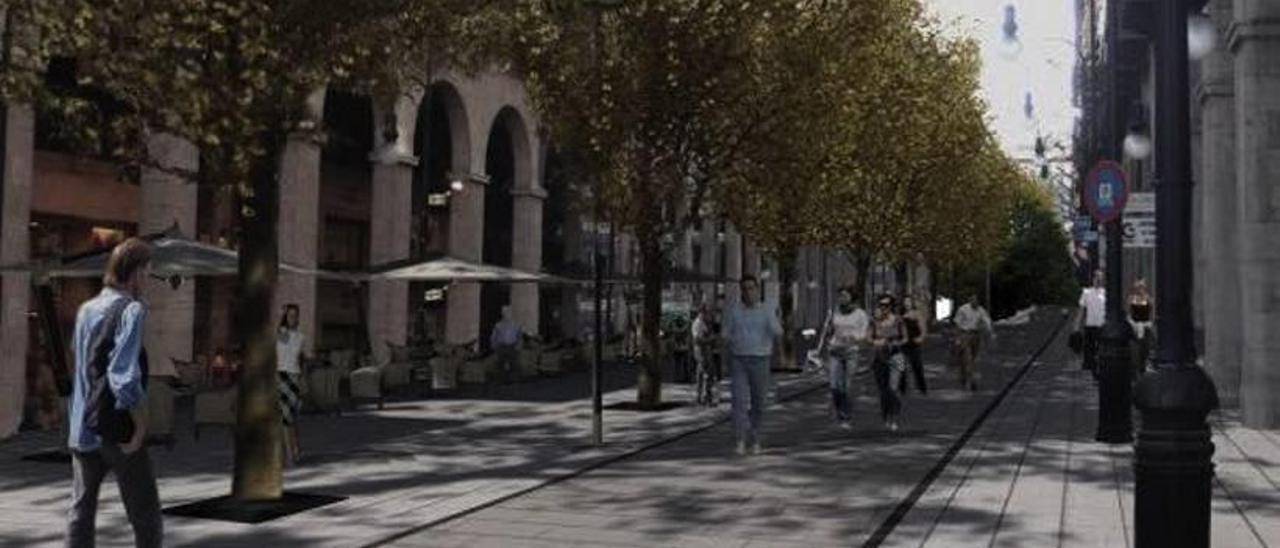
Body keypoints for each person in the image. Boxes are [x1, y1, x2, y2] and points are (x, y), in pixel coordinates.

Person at [66, 238, 162, 548]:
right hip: (118, 431)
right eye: (147, 271)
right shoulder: (131, 310)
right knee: (145, 514)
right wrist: (141, 425)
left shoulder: (86, 310)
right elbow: (123, 377)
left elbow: (82, 369)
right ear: (134, 272)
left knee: (81, 511)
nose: (148, 278)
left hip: (83, 426)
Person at [721, 275, 782, 455]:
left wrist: (779, 355)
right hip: (738, 359)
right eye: (745, 289)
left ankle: (755, 437)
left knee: (759, 403)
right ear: (741, 291)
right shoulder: (733, 311)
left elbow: (778, 332)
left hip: (761, 359)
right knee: (739, 402)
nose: (748, 292)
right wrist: (724, 357)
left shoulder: (766, 310)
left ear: (757, 290)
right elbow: (725, 334)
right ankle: (740, 439)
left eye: (751, 288)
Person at [816, 288, 869, 429]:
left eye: (845, 295)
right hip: (835, 351)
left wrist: (853, 337)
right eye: (840, 295)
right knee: (834, 386)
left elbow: (864, 334)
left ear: (852, 297)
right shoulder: (834, 311)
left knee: (846, 386)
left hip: (851, 352)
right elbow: (828, 329)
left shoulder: (860, 314)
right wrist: (826, 342)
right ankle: (839, 411)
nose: (842, 298)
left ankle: (845, 417)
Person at [870, 295, 907, 431]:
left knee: (893, 388)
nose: (883, 308)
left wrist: (894, 343)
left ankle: (894, 417)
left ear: (891, 307)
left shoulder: (898, 321)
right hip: (879, 358)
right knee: (883, 391)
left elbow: (905, 338)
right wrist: (875, 342)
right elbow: (868, 338)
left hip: (896, 357)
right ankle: (885, 415)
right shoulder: (875, 321)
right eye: (881, 305)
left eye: (886, 305)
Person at [277, 304, 307, 465]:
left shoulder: (301, 337)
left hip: (293, 378)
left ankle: (293, 451)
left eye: (295, 315)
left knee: (289, 419)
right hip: (279, 377)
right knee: (285, 418)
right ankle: (291, 453)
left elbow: (296, 356)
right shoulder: (280, 333)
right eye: (289, 315)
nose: (292, 318)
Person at [953, 294, 996, 391]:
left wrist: (991, 333)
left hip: (976, 335)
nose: (975, 303)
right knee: (967, 357)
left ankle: (964, 375)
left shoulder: (981, 310)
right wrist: (957, 338)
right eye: (973, 301)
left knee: (973, 357)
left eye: (976, 301)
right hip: (965, 335)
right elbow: (957, 324)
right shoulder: (963, 309)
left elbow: (987, 321)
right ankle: (972, 380)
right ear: (970, 301)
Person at [1075, 272, 1106, 372]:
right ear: (1092, 279)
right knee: (1090, 351)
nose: (1098, 280)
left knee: (1102, 350)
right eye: (1096, 277)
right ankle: (1093, 370)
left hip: (1102, 325)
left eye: (1100, 278)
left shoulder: (1106, 293)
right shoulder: (1086, 292)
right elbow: (1081, 310)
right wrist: (1076, 326)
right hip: (1090, 325)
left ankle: (1101, 370)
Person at [898, 296, 929, 396]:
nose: (907, 304)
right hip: (903, 343)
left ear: (912, 303)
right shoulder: (901, 315)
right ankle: (902, 388)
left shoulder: (917, 314)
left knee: (917, 365)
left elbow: (923, 328)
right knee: (901, 366)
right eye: (905, 302)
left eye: (909, 302)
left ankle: (922, 388)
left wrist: (921, 338)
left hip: (914, 343)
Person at [691, 305, 719, 406]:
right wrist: (709, 340)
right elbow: (697, 340)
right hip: (701, 352)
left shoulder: (704, 323)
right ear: (701, 313)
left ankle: (701, 396)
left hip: (706, 352)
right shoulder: (697, 324)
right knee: (706, 374)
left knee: (703, 374)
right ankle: (706, 397)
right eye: (706, 313)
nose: (708, 315)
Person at [1128, 278, 1154, 376]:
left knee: (1145, 349)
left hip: (1145, 326)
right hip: (1135, 326)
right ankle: (1135, 371)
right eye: (1138, 287)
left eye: (1142, 287)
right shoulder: (1131, 299)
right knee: (1135, 351)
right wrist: (1132, 323)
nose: (1140, 289)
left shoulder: (1148, 299)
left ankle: (1143, 368)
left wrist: (1149, 323)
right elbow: (1129, 313)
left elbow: (1152, 314)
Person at [490, 305, 522, 383]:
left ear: (511, 313)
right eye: (504, 312)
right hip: (501, 346)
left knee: (514, 364)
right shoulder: (498, 325)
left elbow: (519, 336)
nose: (506, 314)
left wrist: (519, 346)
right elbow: (494, 336)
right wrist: (494, 346)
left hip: (512, 346)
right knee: (500, 363)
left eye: (508, 312)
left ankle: (514, 380)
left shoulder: (516, 325)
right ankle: (501, 380)